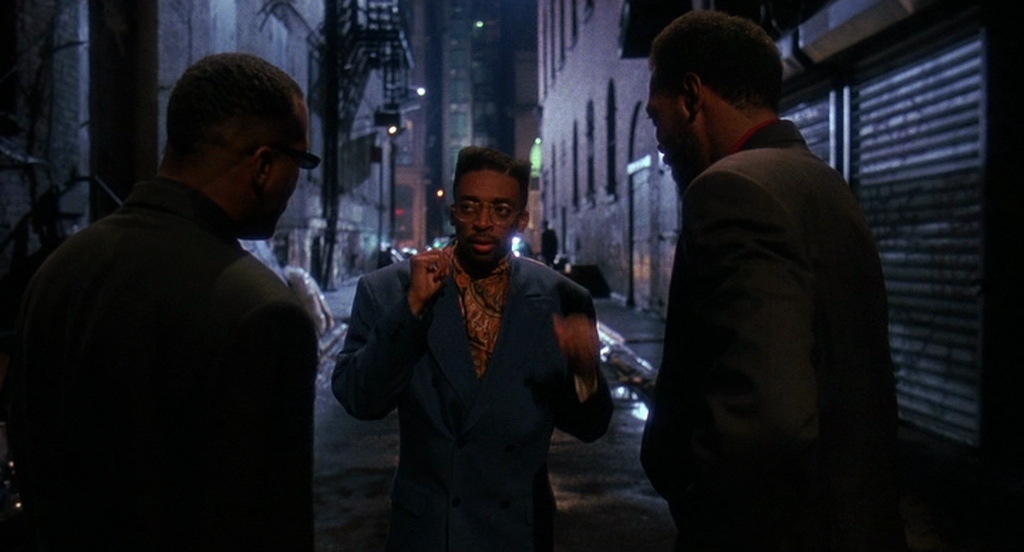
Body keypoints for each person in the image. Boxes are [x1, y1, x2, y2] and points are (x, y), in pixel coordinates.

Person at [5, 53, 321, 551]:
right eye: (300, 161)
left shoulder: (58, 270)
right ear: (263, 164)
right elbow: (266, 522)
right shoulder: (265, 312)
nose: (296, 180)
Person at [639, 11, 905, 552]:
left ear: (691, 97)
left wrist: (699, 509)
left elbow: (765, 423)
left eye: (656, 116)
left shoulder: (730, 190)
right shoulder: (822, 181)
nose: (660, 141)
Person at [333, 145, 613, 552]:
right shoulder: (389, 290)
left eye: (501, 211)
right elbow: (360, 399)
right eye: (470, 207)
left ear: (522, 218)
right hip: (428, 532)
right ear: (452, 212)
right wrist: (410, 309)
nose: (484, 222)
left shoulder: (561, 298)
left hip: (518, 531)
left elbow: (590, 427)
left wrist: (584, 371)